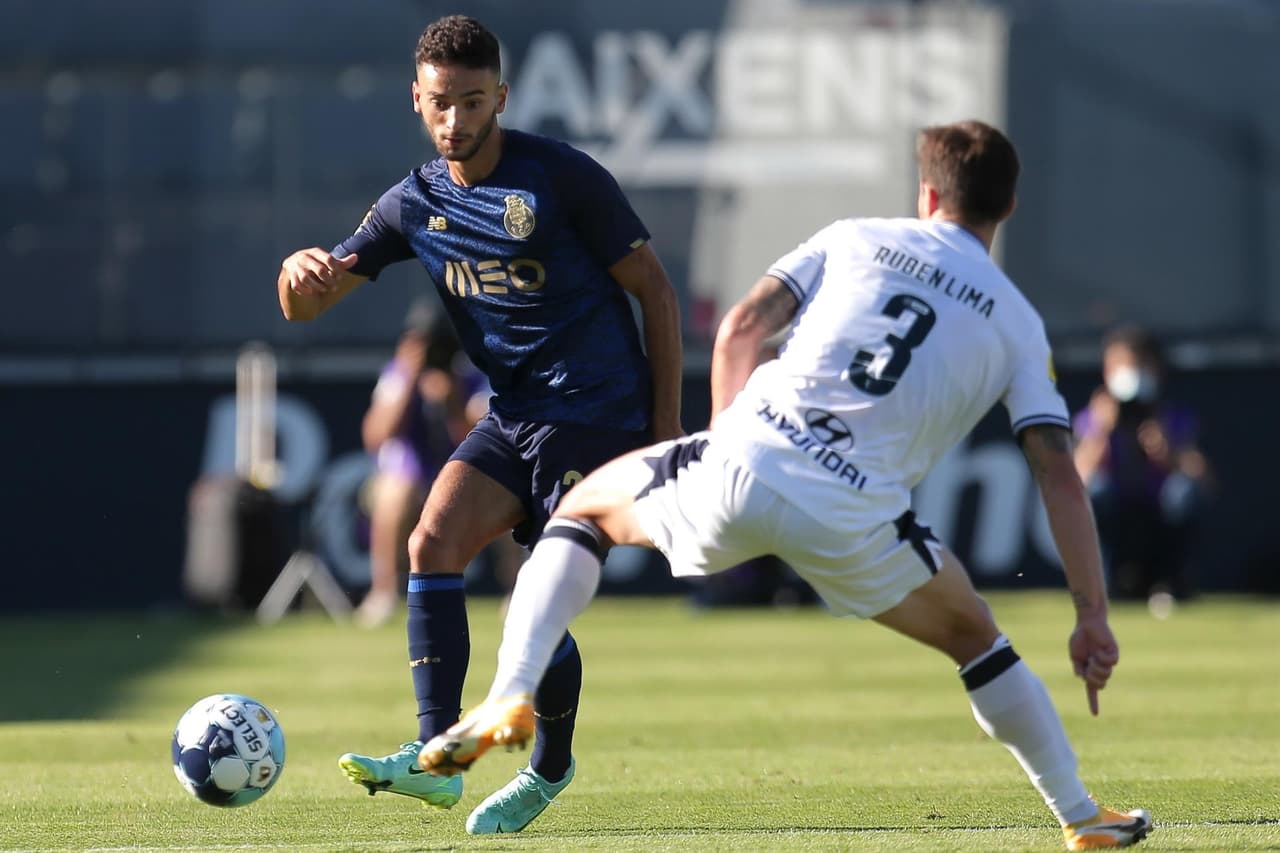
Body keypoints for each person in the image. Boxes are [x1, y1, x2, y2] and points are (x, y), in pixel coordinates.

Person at [419, 121, 1153, 850]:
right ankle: (1080, 814)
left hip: (746, 456)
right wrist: (1091, 612)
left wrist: (717, 442)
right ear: (1009, 206)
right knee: (979, 642)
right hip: (856, 510)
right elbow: (1056, 467)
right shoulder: (1020, 323)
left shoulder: (856, 237)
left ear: (926, 192)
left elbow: (741, 327)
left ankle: (512, 690)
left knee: (582, 514)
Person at [276, 14, 683, 834]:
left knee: (532, 600)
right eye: (439, 104)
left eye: (471, 101)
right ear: (416, 101)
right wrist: (296, 270)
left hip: (599, 411)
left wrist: (666, 431)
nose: (455, 120)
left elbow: (656, 290)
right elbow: (307, 305)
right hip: (515, 413)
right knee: (430, 542)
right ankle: (438, 758)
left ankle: (549, 766)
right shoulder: (413, 202)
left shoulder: (561, 178)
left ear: (501, 96)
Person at [1073, 325, 1211, 601]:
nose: (1128, 372)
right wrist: (1102, 431)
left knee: (1183, 492)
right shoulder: (1094, 418)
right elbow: (1076, 481)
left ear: (1156, 370)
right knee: (1096, 492)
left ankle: (1170, 583)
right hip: (1115, 517)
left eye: (1138, 364)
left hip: (1158, 518)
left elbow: (1204, 481)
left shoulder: (1173, 418)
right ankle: (1103, 585)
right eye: (1119, 365)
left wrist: (1168, 454)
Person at [354, 305, 463, 629]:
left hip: (454, 478)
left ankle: (513, 590)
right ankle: (383, 591)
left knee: (505, 489)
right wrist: (408, 379)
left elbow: (480, 434)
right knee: (396, 492)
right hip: (403, 479)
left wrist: (451, 399)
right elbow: (376, 435)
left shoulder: (466, 376)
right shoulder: (395, 377)